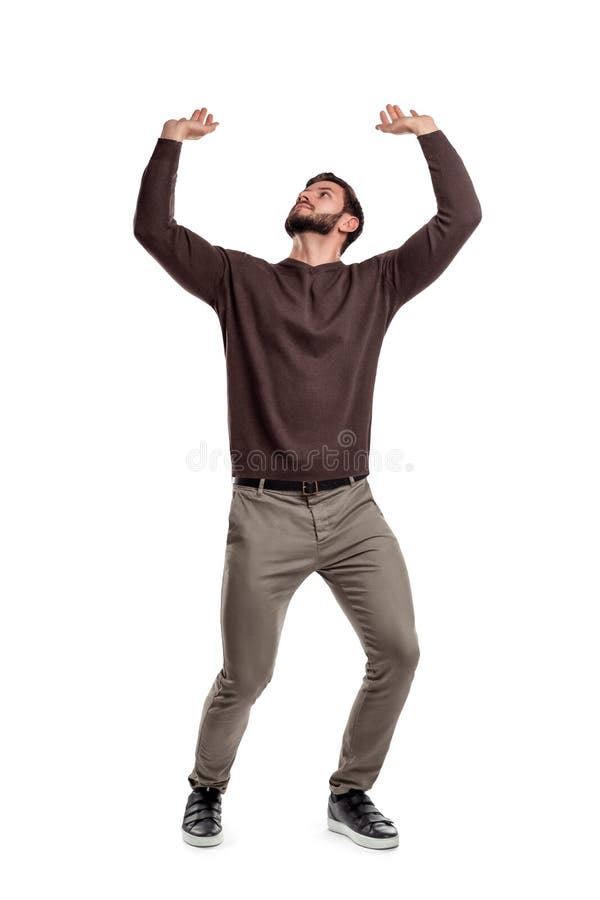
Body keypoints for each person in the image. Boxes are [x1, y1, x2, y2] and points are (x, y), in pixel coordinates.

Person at [133, 103, 482, 850]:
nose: (308, 195)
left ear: (350, 223)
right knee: (246, 676)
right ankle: (206, 787)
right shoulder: (240, 281)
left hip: (355, 511)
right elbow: (154, 233)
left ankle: (350, 792)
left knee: (400, 650)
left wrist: (428, 135)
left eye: (324, 193)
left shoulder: (378, 285)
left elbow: (461, 218)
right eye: (305, 189)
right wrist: (169, 146)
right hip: (264, 516)